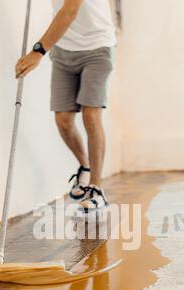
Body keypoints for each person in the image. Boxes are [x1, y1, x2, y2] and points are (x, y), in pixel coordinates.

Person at [16, 0, 116, 212]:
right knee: (63, 121)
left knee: (91, 115)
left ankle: (96, 189)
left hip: (98, 47)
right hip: (64, 50)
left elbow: (69, 11)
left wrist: (37, 51)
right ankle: (85, 166)